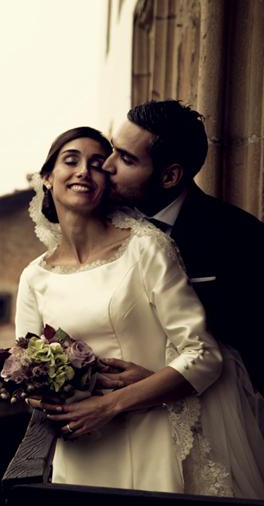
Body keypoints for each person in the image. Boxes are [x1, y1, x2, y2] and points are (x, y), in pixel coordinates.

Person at [19, 126, 264, 498]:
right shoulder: (34, 277)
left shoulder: (146, 249)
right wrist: (62, 395)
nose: (84, 170)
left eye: (97, 163)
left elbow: (204, 355)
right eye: (71, 160)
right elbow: (25, 380)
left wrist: (109, 404)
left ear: (108, 182)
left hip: (151, 440)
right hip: (79, 449)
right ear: (48, 178)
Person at [99, 100, 264, 394]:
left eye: (126, 159)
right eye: (113, 149)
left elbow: (253, 350)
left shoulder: (241, 238)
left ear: (169, 177)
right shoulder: (102, 221)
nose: (106, 165)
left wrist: (159, 383)